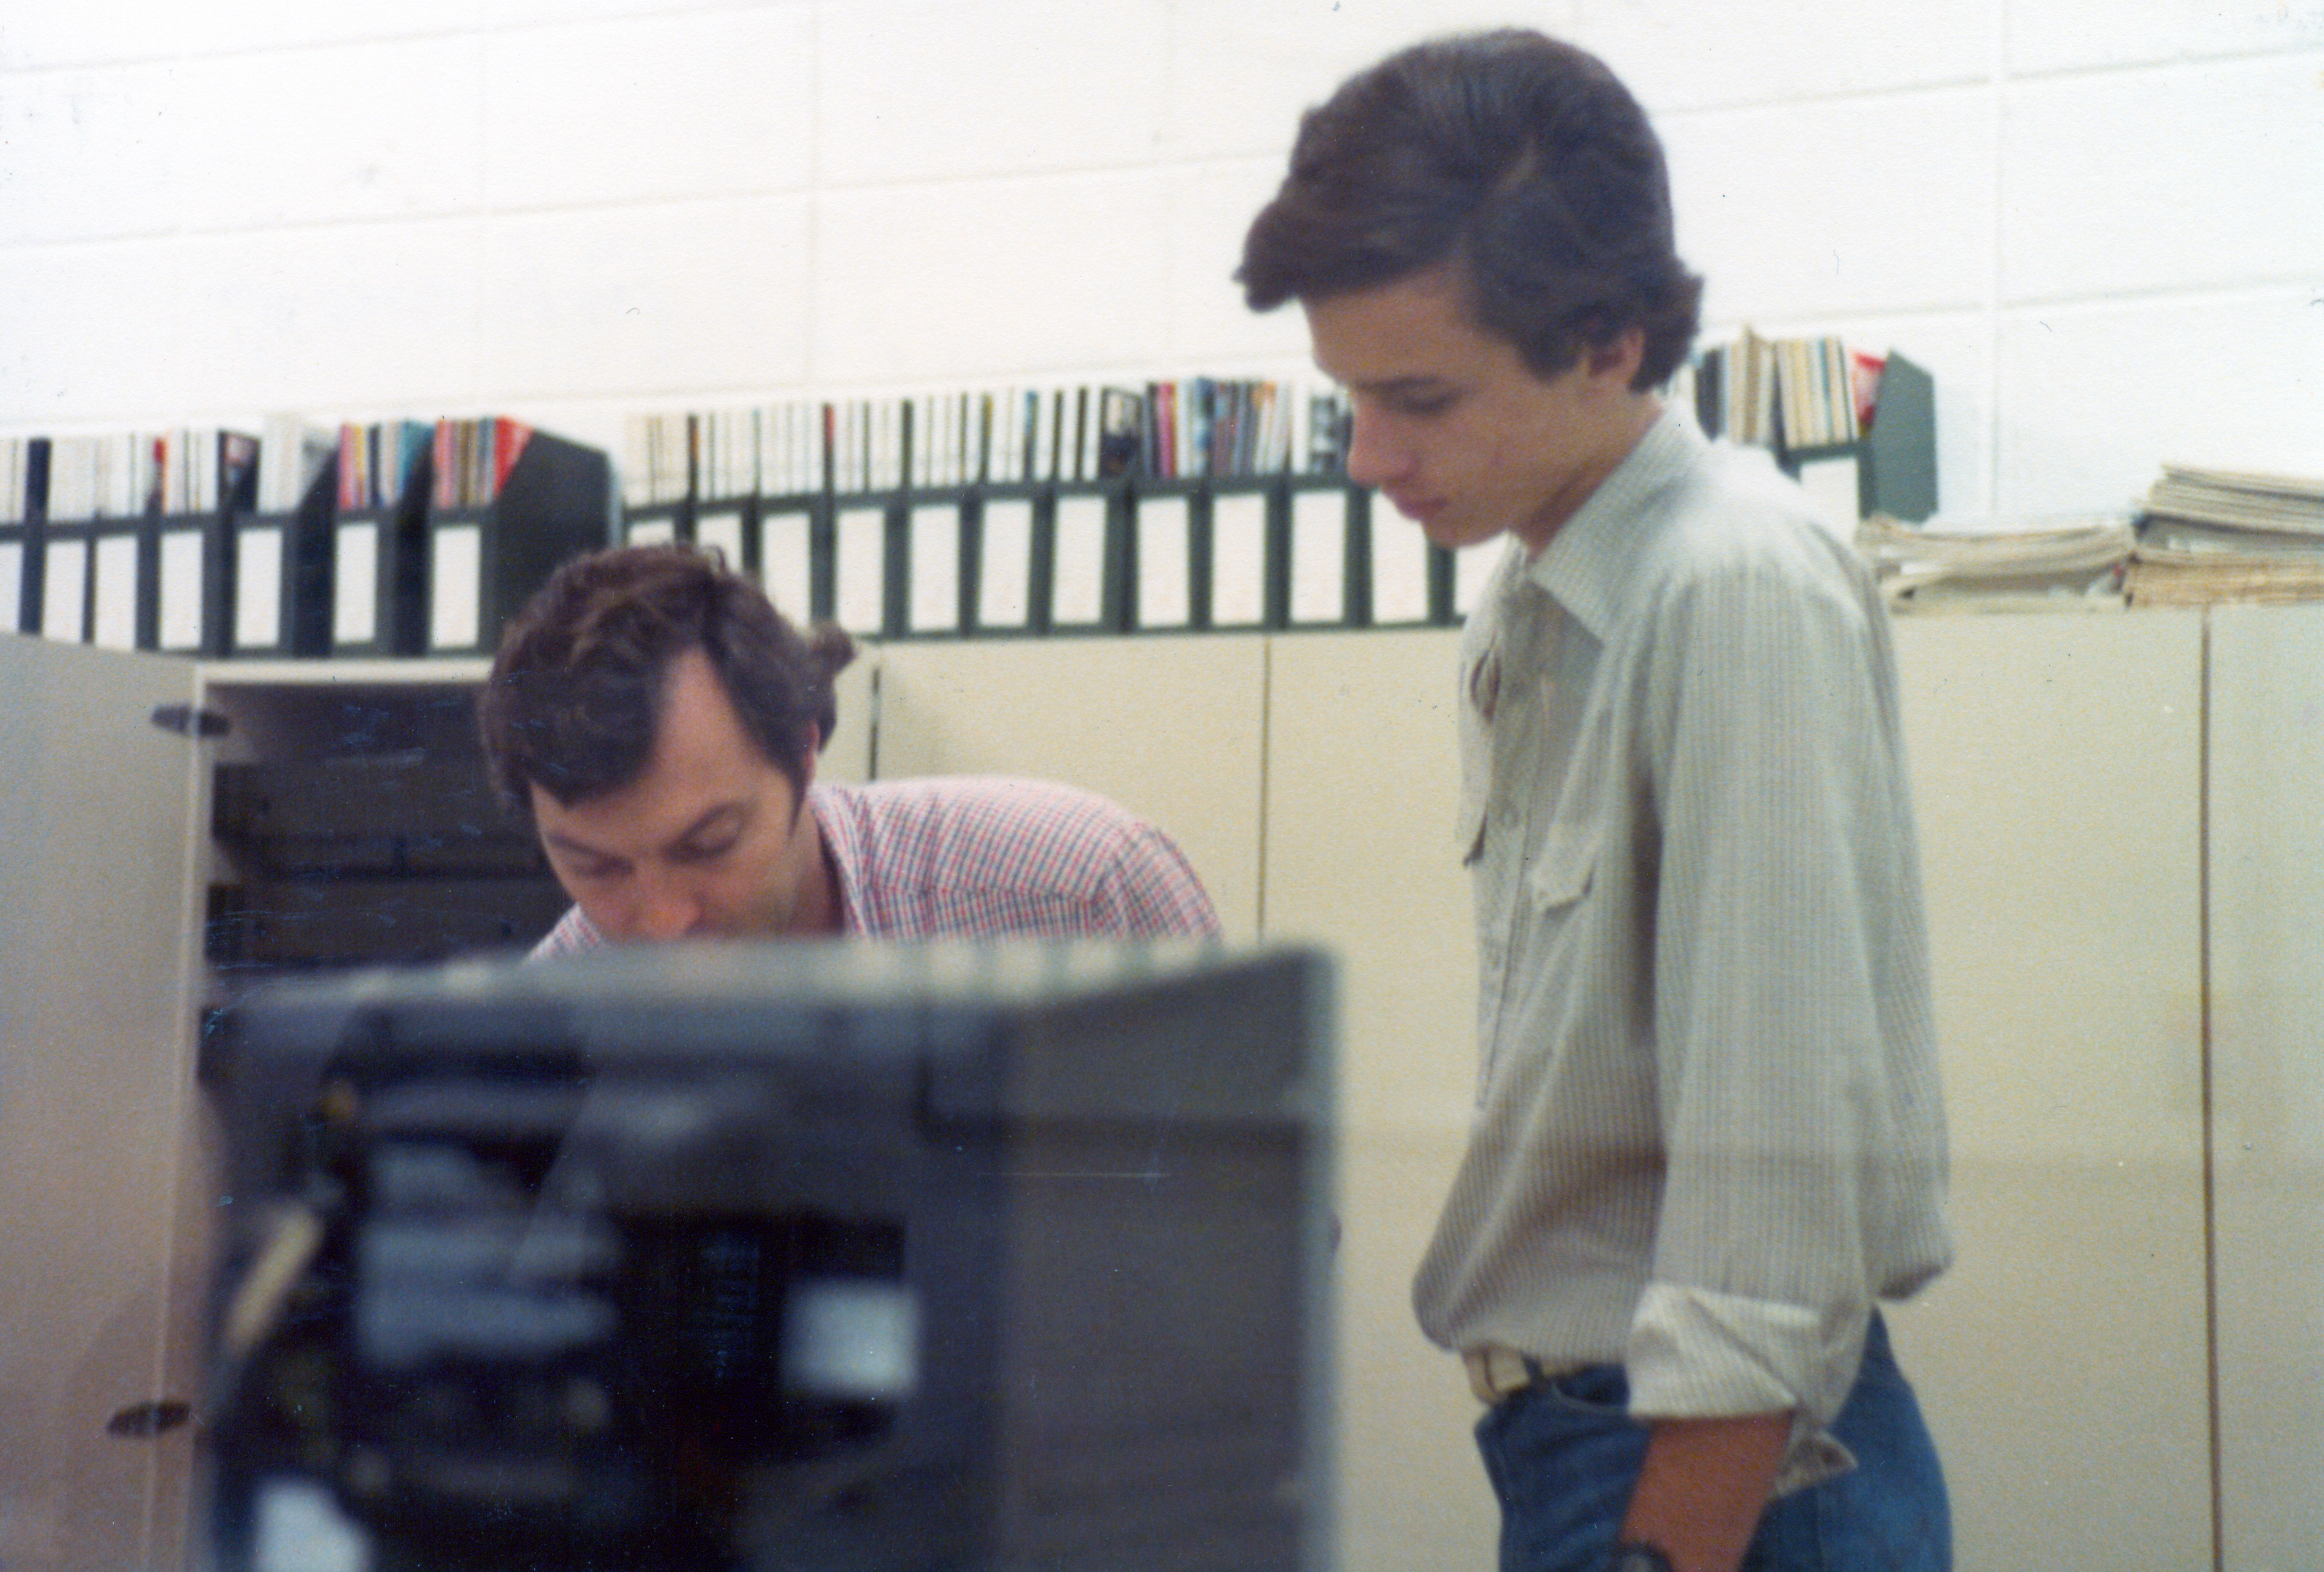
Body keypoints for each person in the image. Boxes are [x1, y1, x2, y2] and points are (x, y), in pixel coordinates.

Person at [1240, 30, 1951, 1572]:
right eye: (1345, 400)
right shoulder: (1536, 593)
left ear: (1608, 340)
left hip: (1713, 1478)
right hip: (1587, 1444)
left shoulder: (1727, 585)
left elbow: (1772, 1195)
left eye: (1415, 397)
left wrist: (1660, 1546)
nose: (1367, 458)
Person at [477, 543, 1221, 951]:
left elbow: (1260, 1223)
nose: (664, 920)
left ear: (803, 754)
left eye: (709, 845)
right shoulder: (549, 1025)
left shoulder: (1079, 894)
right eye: (598, 868)